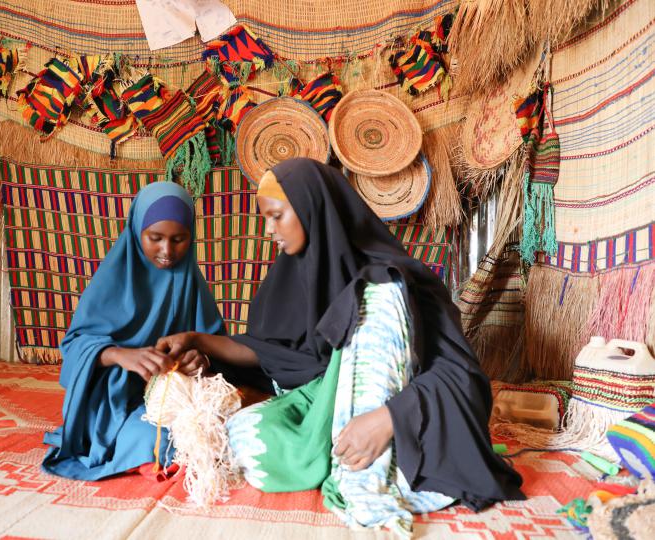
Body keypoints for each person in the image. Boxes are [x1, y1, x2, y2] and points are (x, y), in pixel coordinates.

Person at [157, 158, 524, 531]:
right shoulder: (289, 275)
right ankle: (330, 455)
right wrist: (199, 342)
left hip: (388, 414)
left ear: (312, 207)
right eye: (266, 217)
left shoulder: (389, 279)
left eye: (278, 215)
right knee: (244, 439)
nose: (269, 230)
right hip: (324, 409)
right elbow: (277, 354)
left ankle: (365, 479)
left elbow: (459, 374)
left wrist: (389, 418)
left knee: (376, 294)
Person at [42, 181, 224, 481]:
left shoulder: (191, 281)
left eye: (179, 239)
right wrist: (118, 355)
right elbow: (74, 349)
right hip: (111, 403)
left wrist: (200, 359)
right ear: (136, 230)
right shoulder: (113, 278)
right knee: (160, 441)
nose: (167, 250)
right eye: (155, 238)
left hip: (172, 401)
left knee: (219, 430)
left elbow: (217, 344)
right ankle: (139, 454)